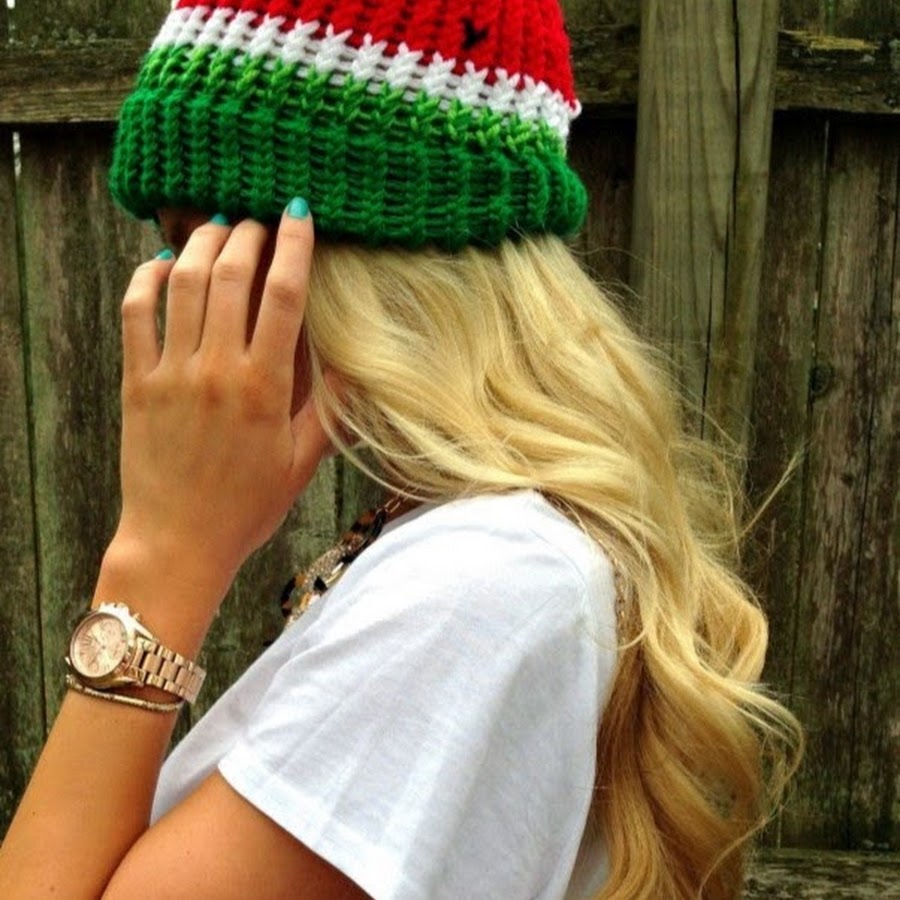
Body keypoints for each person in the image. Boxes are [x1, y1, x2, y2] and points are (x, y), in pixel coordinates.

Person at [0, 0, 802, 897]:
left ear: (328, 252)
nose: (179, 281)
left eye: (199, 240)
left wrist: (161, 556)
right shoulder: (469, 549)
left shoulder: (477, 588)